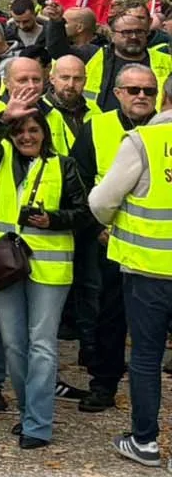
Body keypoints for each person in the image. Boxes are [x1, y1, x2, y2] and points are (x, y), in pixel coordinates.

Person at [0, 108, 84, 451]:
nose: (26, 137)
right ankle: (27, 409)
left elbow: (84, 211)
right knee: (14, 344)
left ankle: (38, 423)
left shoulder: (63, 165)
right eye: (19, 132)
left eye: (33, 130)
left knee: (42, 344)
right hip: (6, 266)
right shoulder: (0, 157)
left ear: (44, 133)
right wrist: (6, 117)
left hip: (50, 269)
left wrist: (53, 219)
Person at [89, 70, 172, 467]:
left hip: (148, 271)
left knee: (146, 357)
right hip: (150, 270)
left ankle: (145, 442)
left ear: (164, 99)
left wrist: (114, 221)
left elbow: (102, 201)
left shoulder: (144, 141)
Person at [75, 61, 161, 414]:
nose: (141, 96)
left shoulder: (163, 131)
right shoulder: (96, 127)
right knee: (107, 317)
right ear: (117, 93)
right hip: (108, 243)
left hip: (157, 248)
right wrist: (97, 228)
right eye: (134, 90)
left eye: (149, 91)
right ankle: (104, 383)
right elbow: (78, 183)